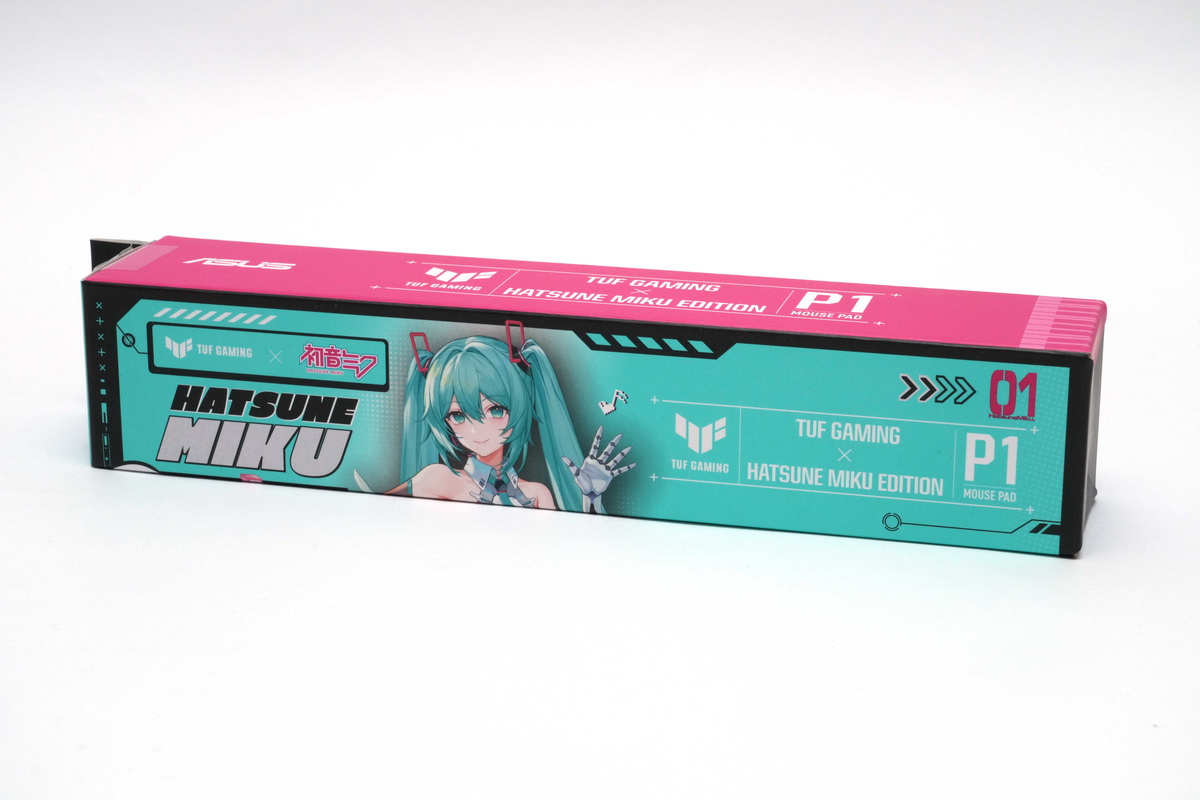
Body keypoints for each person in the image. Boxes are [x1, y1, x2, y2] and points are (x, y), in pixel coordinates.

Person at [384, 331, 634, 513]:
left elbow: (569, 547)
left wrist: (591, 499)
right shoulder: (437, 478)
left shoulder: (536, 493)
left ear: (519, 408)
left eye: (495, 410)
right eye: (458, 416)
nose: (476, 430)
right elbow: (376, 512)